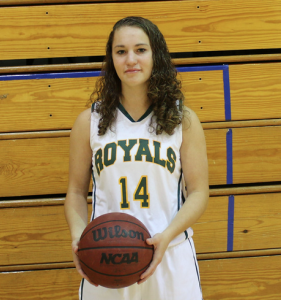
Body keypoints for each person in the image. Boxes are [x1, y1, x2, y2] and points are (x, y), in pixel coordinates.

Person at [65, 16, 209, 300]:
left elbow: (199, 192)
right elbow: (76, 192)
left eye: (140, 49)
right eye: (121, 51)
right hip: (106, 257)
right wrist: (80, 236)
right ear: (112, 60)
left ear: (156, 55)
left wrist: (166, 236)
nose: (130, 59)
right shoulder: (89, 122)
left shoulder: (184, 120)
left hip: (170, 255)